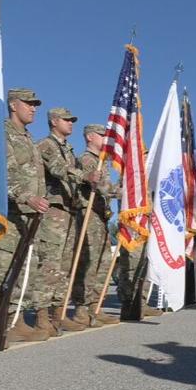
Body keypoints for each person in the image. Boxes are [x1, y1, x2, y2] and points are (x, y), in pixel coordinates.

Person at [0, 88, 51, 349]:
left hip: (30, 216)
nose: (33, 108)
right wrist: (26, 196)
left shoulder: (29, 138)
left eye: (35, 104)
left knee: (23, 271)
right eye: (28, 104)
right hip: (8, 213)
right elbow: (0, 173)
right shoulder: (3, 133)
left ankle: (13, 320)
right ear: (13, 105)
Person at [33, 107, 100, 335]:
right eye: (66, 120)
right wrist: (85, 176)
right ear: (54, 121)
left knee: (65, 266)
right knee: (50, 265)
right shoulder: (46, 145)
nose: (71, 123)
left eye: (72, 120)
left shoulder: (68, 149)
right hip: (54, 210)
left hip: (70, 211)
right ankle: (42, 315)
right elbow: (58, 169)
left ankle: (58, 313)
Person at [72, 124, 120, 327]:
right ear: (90, 136)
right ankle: (81, 309)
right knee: (88, 264)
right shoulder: (86, 160)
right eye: (102, 135)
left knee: (103, 263)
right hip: (88, 215)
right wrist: (124, 192)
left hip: (101, 217)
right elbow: (104, 188)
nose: (106, 139)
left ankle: (95, 307)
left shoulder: (102, 162)